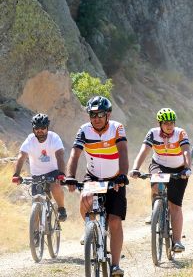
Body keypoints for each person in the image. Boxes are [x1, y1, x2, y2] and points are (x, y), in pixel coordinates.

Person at [65, 96, 128, 276]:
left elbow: (123, 151)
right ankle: (89, 228)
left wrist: (122, 175)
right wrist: (70, 176)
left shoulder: (117, 128)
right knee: (85, 198)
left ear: (107, 114)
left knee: (115, 221)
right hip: (93, 176)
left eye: (100, 114)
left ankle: (115, 265)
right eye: (93, 114)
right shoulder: (84, 130)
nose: (96, 118)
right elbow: (75, 154)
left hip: (115, 178)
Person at [130, 108, 191, 253]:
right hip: (159, 165)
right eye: (166, 123)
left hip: (179, 169)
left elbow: (186, 151)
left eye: (172, 122)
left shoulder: (180, 133)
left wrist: (187, 168)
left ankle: (176, 242)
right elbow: (144, 150)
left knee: (175, 206)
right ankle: (155, 211)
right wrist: (135, 168)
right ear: (160, 123)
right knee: (156, 187)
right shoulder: (152, 133)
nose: (169, 125)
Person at [12, 113, 67, 221]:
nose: (40, 131)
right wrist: (16, 174)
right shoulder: (30, 139)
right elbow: (21, 156)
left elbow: (60, 156)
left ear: (47, 127)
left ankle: (61, 209)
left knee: (55, 186)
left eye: (43, 128)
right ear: (33, 129)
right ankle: (36, 235)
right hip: (36, 175)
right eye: (37, 128)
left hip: (53, 171)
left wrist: (61, 173)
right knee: (36, 207)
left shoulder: (54, 137)